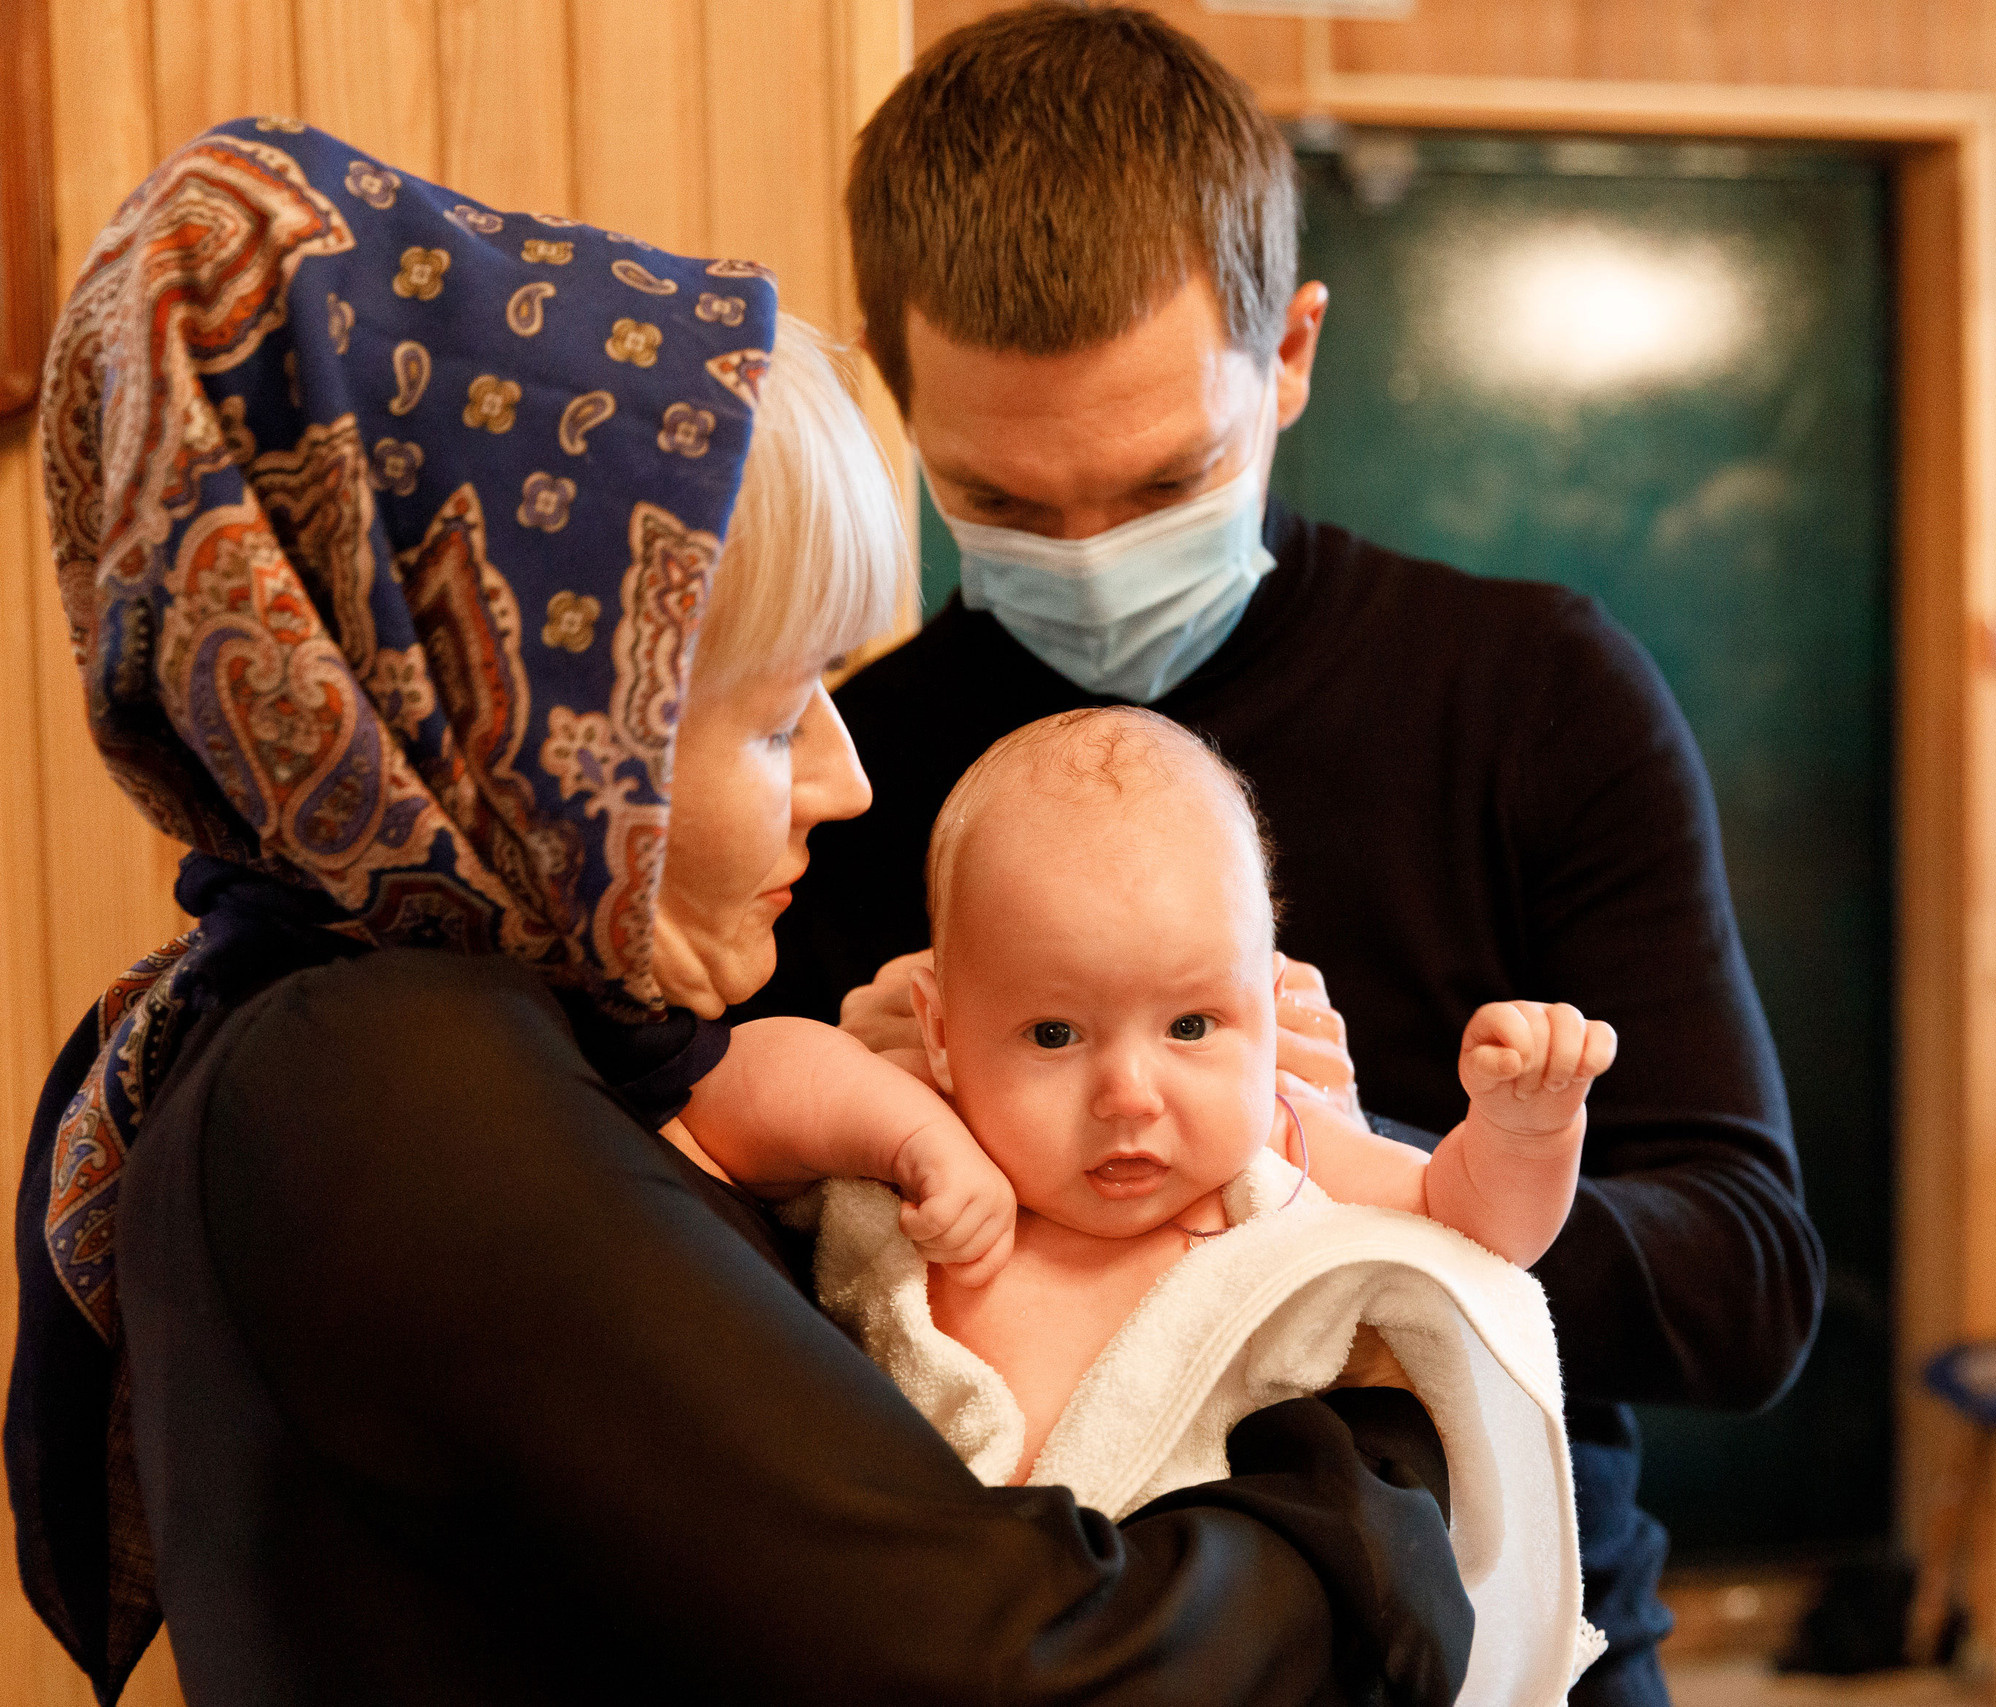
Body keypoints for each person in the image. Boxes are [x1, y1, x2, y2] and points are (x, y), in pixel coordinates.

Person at [6, 119, 1471, 1706]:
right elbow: (1021, 1660)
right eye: (775, 719)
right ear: (531, 720)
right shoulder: (389, 1079)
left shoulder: (448, 1038)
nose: (840, 784)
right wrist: (1376, 1419)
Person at [742, 9, 1828, 1701]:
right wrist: (836, 1138)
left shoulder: (1535, 695)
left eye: (1166, 480)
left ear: (1295, 349)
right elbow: (724, 1295)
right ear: (903, 395)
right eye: (1008, 504)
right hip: (1035, 1645)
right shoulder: (827, 768)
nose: (1090, 559)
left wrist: (1352, 1176)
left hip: (1501, 1640)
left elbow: (1747, 1284)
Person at [682, 706, 1615, 1477]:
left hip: (1202, 1614)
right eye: (1054, 1034)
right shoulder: (926, 1123)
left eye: (1193, 1026)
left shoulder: (1278, 1155)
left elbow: (1476, 1230)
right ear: (940, 1028)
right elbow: (717, 1093)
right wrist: (916, 1136)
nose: (1129, 1094)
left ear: (1269, 997)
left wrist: (1526, 1128)